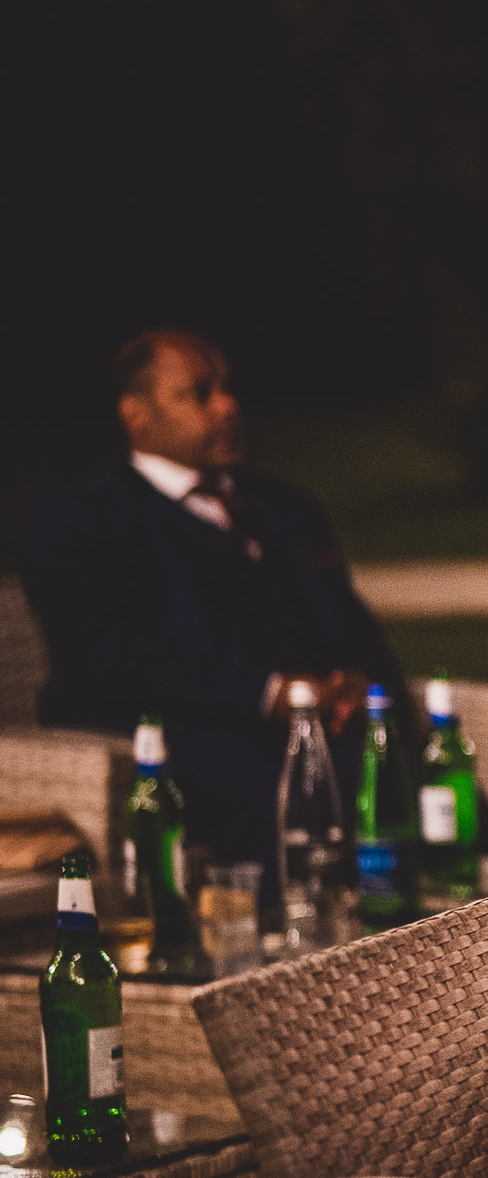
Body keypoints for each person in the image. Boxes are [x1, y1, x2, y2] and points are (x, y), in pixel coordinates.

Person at [20, 329, 407, 869]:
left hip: (323, 726)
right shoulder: (84, 520)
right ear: (137, 415)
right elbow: (106, 656)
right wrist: (271, 694)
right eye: (198, 393)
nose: (228, 406)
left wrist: (363, 686)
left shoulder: (285, 508)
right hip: (186, 731)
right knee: (270, 794)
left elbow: (351, 624)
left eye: (227, 388)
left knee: (416, 778)